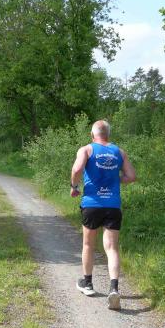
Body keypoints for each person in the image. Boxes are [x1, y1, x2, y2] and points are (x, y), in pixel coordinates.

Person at [70, 119, 136, 310]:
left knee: (88, 244)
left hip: (92, 204)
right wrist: (116, 179)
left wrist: (74, 186)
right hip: (112, 205)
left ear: (92, 134)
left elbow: (77, 169)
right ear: (108, 134)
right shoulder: (119, 152)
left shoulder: (86, 149)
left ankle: (88, 283)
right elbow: (131, 176)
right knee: (112, 248)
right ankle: (114, 288)